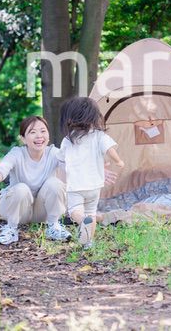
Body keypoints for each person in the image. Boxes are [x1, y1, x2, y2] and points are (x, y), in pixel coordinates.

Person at [0, 116, 72, 245]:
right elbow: (1, 171)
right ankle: (11, 229)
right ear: (23, 138)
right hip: (17, 210)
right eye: (32, 132)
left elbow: (72, 171)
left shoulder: (55, 153)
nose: (39, 136)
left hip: (43, 211)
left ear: (48, 135)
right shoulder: (16, 153)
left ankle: (54, 226)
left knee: (55, 184)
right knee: (21, 188)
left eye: (43, 131)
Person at [57, 97, 124, 249]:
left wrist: (63, 181)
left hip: (76, 186)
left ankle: (81, 221)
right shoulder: (99, 136)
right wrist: (118, 161)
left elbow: (61, 161)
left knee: (75, 211)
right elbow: (110, 150)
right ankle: (88, 242)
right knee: (91, 213)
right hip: (94, 186)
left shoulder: (68, 140)